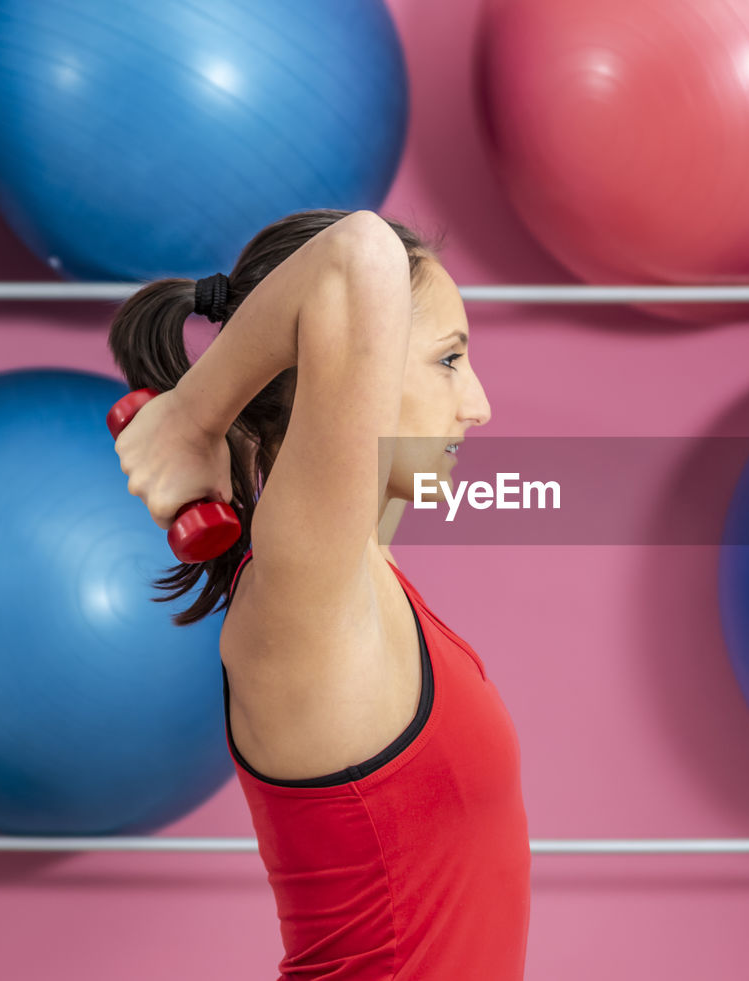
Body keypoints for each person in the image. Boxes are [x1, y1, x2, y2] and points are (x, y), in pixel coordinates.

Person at [108, 209, 530, 980]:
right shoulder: (304, 597)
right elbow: (356, 257)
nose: (478, 403)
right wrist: (197, 420)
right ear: (352, 371)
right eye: (448, 360)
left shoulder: (363, 570)